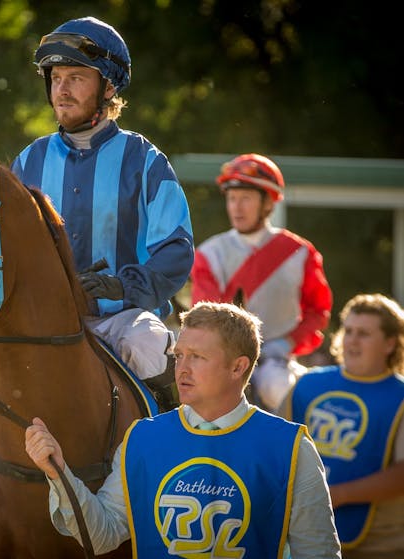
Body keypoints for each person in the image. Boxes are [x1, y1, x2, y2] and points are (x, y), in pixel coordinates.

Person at [25, 301, 341, 558]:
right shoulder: (142, 438)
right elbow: (102, 535)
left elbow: (318, 553)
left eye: (198, 357)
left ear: (238, 367)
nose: (182, 369)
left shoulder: (291, 448)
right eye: (179, 356)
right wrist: (59, 472)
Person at [11, 16, 193, 389]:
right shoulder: (28, 161)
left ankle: (167, 440)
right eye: (56, 78)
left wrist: (121, 286)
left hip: (123, 320)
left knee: (148, 342)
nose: (62, 89)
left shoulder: (145, 160)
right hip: (44, 321)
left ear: (108, 86)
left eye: (75, 78)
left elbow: (176, 250)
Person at [190, 153, 333, 411]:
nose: (236, 207)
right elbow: (205, 316)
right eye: (232, 198)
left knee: (294, 400)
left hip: (276, 363)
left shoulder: (300, 252)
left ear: (268, 203)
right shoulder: (209, 253)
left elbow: (318, 312)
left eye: (245, 198)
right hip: (222, 363)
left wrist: (285, 343)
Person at [282, 293, 404, 558]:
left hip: (382, 546)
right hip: (308, 540)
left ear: (390, 343)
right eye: (348, 331)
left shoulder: (401, 397)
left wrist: (338, 494)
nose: (352, 340)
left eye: (364, 333)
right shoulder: (306, 385)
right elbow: (277, 451)